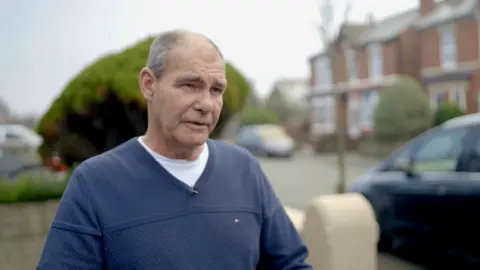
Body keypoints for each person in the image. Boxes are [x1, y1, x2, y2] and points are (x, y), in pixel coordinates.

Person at [37, 30, 311, 270]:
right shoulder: (95, 183)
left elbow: (290, 264)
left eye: (216, 90)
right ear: (148, 84)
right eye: (190, 85)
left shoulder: (244, 168)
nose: (207, 104)